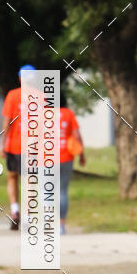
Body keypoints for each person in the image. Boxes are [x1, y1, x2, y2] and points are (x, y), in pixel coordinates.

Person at [1, 64, 36, 230]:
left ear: (20, 78)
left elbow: (7, 121)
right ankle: (28, 216)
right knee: (29, 181)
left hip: (14, 146)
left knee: (12, 177)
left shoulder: (12, 95)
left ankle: (15, 210)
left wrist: (3, 144)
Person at [59, 91, 85, 235]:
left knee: (47, 192)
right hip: (66, 157)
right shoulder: (69, 114)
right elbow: (77, 135)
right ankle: (61, 225)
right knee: (62, 191)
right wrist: (82, 155)